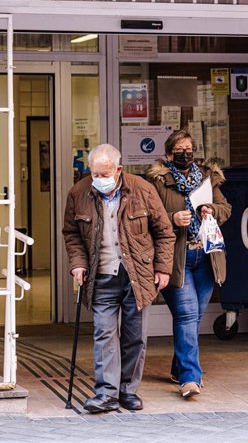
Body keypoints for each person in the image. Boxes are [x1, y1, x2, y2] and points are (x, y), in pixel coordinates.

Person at [62, 143, 175, 414]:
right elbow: (71, 233)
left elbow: (164, 233)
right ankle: (106, 393)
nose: (99, 180)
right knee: (104, 334)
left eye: (104, 174)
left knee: (135, 337)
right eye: (95, 174)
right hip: (101, 275)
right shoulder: (79, 192)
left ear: (118, 169)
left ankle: (128, 390)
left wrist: (163, 268)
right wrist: (77, 264)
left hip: (137, 274)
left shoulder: (142, 190)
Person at [146, 129, 232, 399]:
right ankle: (190, 378)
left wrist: (212, 210)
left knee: (193, 317)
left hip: (205, 256)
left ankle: (179, 367)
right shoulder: (159, 182)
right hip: (176, 257)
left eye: (190, 148)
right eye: (180, 149)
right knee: (186, 314)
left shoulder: (207, 178)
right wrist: (172, 218)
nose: (186, 153)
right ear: (170, 154)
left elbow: (226, 208)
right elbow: (149, 217)